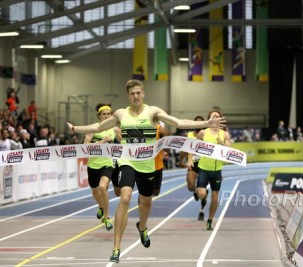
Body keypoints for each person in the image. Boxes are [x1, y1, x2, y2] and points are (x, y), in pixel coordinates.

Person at [66, 79, 225, 263]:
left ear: (143, 93)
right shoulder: (121, 114)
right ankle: (116, 248)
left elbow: (179, 123)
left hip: (147, 165)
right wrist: (75, 128)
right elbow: (98, 127)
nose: (136, 96)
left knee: (146, 204)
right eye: (132, 93)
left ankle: (142, 227)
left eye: (138, 93)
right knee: (124, 197)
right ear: (128, 95)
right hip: (127, 162)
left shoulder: (152, 112)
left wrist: (207, 123)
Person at [84, 103, 121, 231]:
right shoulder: (93, 129)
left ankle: (106, 217)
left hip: (108, 163)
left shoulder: (115, 130)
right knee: (95, 192)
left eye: (108, 114)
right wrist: (102, 142)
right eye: (104, 114)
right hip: (93, 165)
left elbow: (124, 143)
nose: (106, 116)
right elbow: (85, 147)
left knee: (102, 187)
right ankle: (101, 206)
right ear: (99, 116)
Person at [196, 110, 231, 230]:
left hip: (217, 170)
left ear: (220, 119)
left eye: (217, 116)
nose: (215, 117)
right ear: (209, 118)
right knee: (201, 193)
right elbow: (194, 146)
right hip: (203, 168)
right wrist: (191, 159)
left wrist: (222, 143)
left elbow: (229, 150)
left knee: (215, 198)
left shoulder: (224, 134)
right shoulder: (202, 132)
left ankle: (210, 220)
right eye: (213, 116)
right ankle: (204, 197)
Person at [178, 116, 205, 218]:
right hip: (192, 163)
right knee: (190, 186)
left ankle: (202, 210)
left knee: (201, 191)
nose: (198, 125)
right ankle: (195, 191)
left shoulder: (206, 135)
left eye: (201, 123)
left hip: (204, 164)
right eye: (197, 123)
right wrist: (181, 161)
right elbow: (183, 150)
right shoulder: (188, 135)